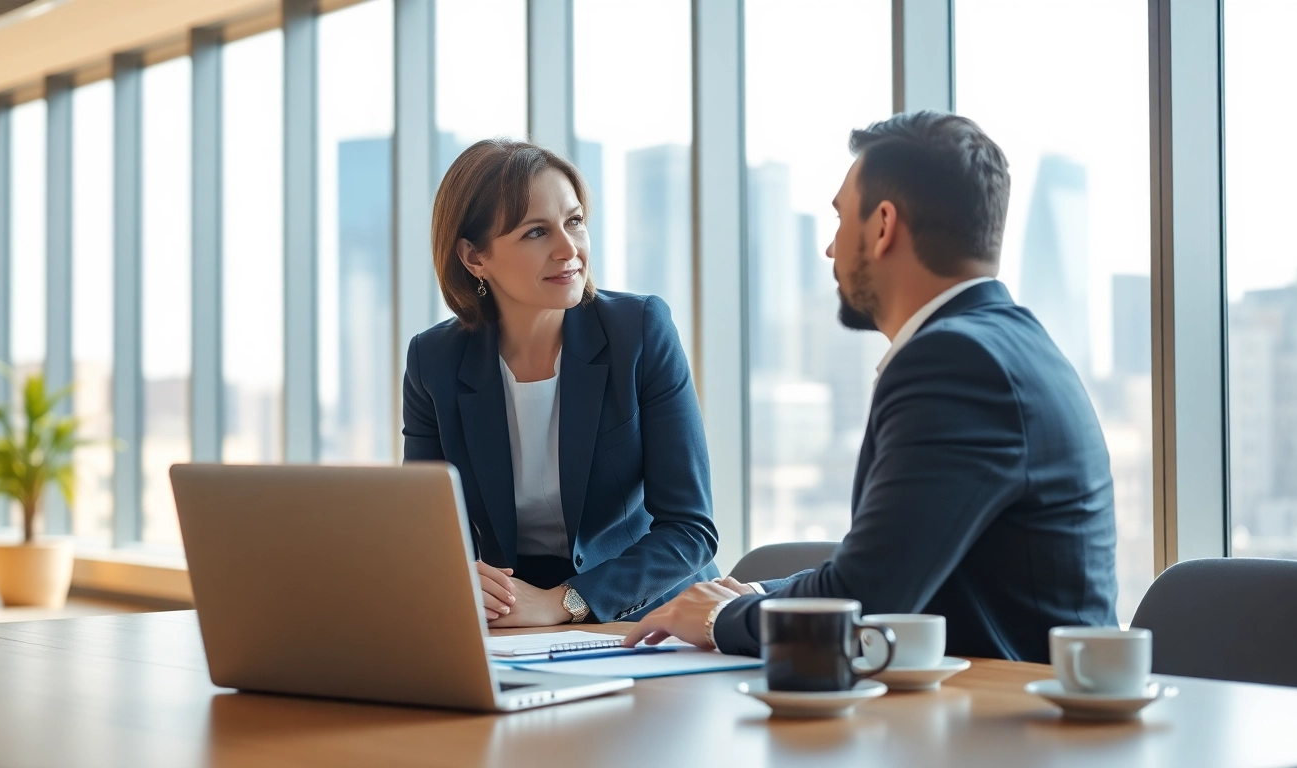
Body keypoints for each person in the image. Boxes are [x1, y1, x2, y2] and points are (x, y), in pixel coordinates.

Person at [624, 111, 1118, 663]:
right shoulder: (1008, 343)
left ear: (883, 226)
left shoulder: (955, 362)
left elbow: (867, 597)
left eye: (840, 220)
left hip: (1007, 728)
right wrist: (755, 595)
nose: (830, 249)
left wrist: (718, 619)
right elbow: (895, 564)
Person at [403, 138, 719, 628]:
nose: (569, 249)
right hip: (513, 619)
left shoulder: (638, 332)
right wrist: (458, 577)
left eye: (574, 222)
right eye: (535, 232)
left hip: (648, 618)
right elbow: (428, 535)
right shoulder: (434, 361)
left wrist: (564, 602)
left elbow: (690, 529)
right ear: (474, 257)